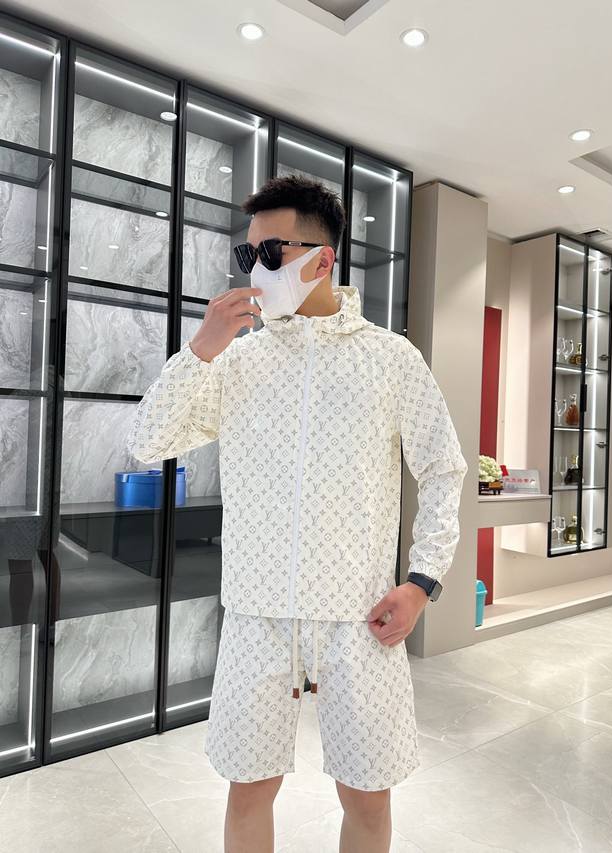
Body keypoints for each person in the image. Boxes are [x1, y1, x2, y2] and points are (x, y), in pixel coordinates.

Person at [126, 174, 468, 853]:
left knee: (367, 794)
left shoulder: (389, 358)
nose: (255, 269)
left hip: (360, 613)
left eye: (270, 252)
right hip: (257, 610)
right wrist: (202, 349)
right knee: (248, 789)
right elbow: (146, 442)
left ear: (322, 258)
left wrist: (421, 580)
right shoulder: (236, 361)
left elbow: (443, 467)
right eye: (246, 254)